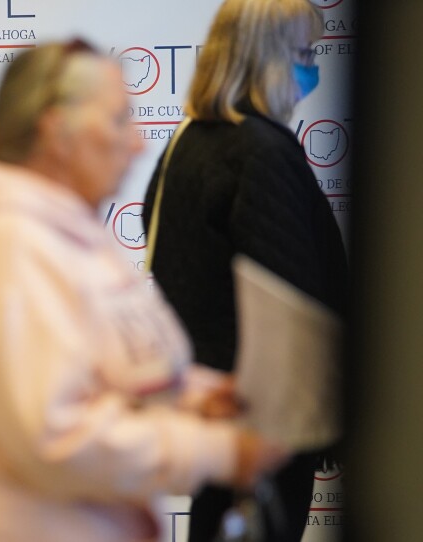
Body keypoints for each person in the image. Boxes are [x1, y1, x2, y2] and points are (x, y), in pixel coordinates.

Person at [0, 39, 284, 542]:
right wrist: (219, 452)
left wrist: (195, 397)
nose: (139, 142)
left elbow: (101, 371)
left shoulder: (65, 232)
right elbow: (55, 435)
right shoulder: (9, 243)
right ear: (58, 133)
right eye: (120, 120)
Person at [142, 1, 348, 541]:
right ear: (270, 58)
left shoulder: (186, 144)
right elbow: (291, 301)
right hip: (264, 423)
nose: (310, 69)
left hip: (211, 408)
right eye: (304, 54)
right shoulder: (261, 151)